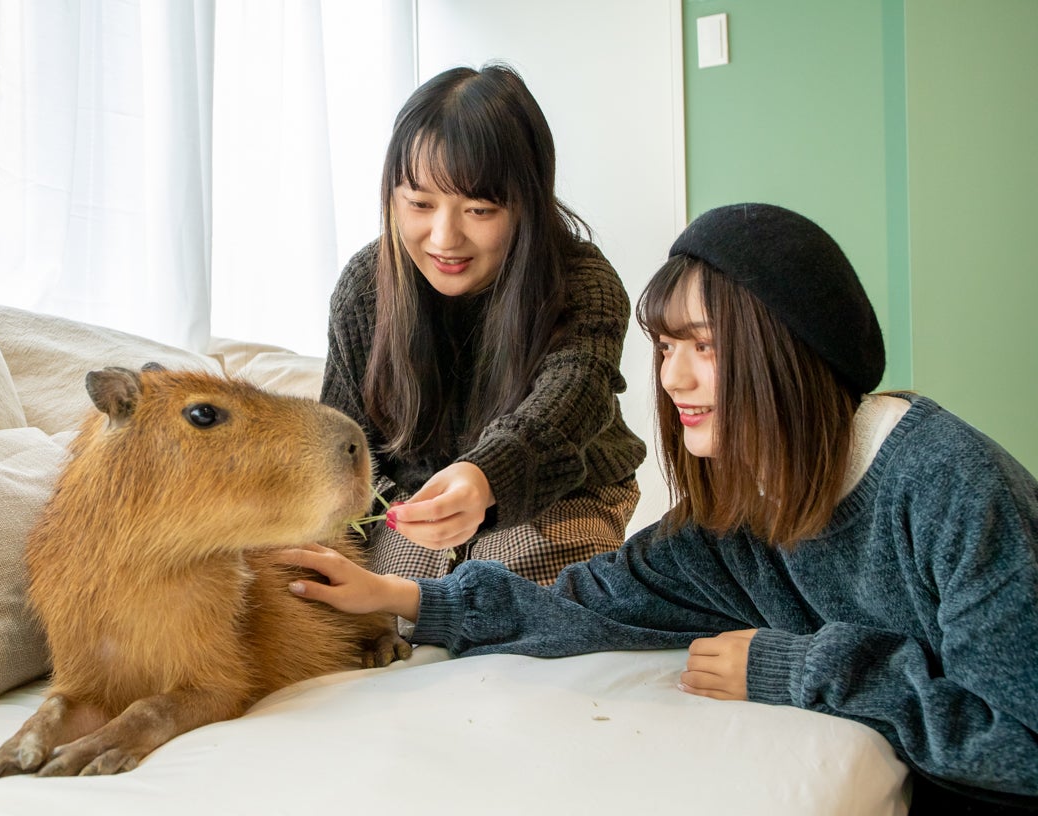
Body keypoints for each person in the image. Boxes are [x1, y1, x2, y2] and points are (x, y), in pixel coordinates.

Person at [288, 203, 1038, 811]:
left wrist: (801, 666)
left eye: (703, 348)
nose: (673, 378)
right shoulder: (737, 517)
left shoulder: (951, 487)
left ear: (788, 354)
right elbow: (587, 601)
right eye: (664, 346)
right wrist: (404, 598)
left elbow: (1021, 745)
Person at [323, 62, 646, 585]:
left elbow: (568, 401)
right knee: (395, 600)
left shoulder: (582, 281)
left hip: (562, 487)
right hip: (413, 497)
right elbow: (343, 437)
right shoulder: (365, 285)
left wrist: (485, 476)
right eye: (420, 204)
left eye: (478, 210)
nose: (444, 238)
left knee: (517, 580)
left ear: (527, 205)